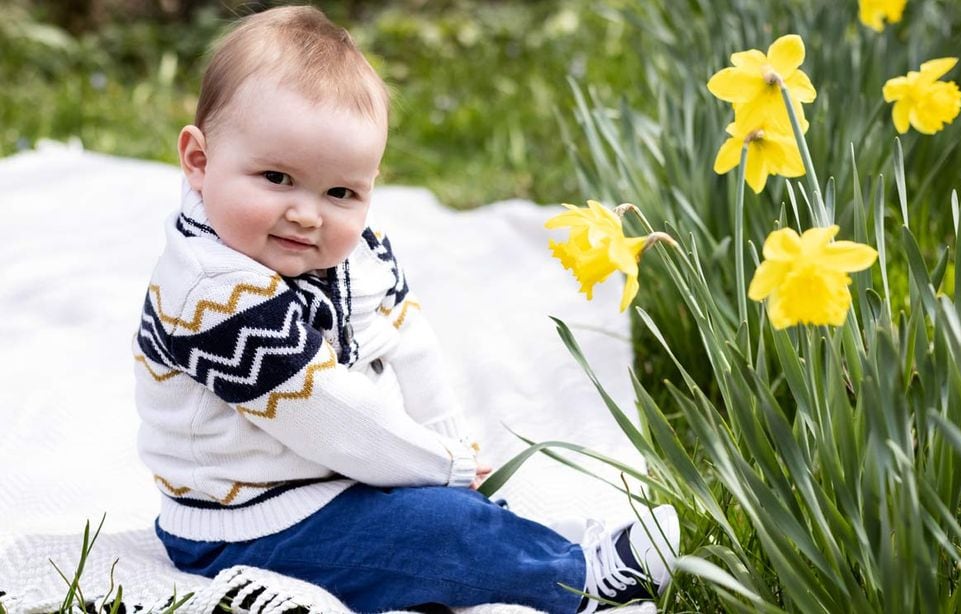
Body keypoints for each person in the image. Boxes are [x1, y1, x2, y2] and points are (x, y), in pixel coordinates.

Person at [131, 5, 679, 612]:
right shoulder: (210, 292)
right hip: (245, 523)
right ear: (199, 162)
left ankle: (527, 545)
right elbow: (328, 413)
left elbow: (407, 342)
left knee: (446, 513)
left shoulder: (348, 255)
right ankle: (578, 576)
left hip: (329, 480)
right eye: (276, 178)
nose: (308, 213)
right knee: (430, 535)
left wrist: (448, 444)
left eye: (340, 192)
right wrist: (438, 465)